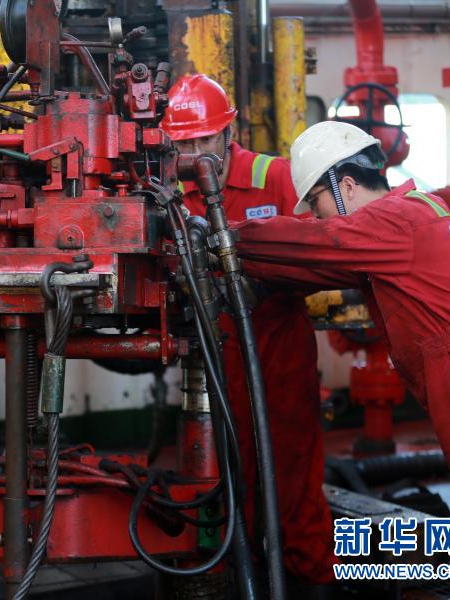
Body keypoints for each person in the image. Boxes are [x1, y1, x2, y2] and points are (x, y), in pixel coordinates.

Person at [233, 120, 450, 592]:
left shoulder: (396, 219)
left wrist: (227, 237)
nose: (318, 216)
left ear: (346, 185)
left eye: (317, 204)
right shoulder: (410, 212)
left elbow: (316, 243)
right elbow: (323, 261)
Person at [161, 74, 336, 584]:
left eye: (205, 140)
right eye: (184, 143)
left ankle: (308, 576)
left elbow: (320, 252)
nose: (196, 153)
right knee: (227, 474)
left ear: (228, 132)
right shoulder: (168, 191)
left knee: (291, 473)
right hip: (211, 358)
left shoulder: (275, 177)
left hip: (276, 349)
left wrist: (265, 283)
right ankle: (245, 568)